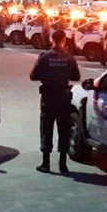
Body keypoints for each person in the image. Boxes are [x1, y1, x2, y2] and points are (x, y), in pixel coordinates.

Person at [29, 30, 81, 174]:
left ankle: (45, 163)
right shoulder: (70, 57)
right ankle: (62, 164)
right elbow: (76, 76)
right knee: (64, 130)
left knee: (46, 129)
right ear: (64, 40)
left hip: (48, 97)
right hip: (64, 97)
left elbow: (33, 76)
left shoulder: (44, 56)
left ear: (52, 39)